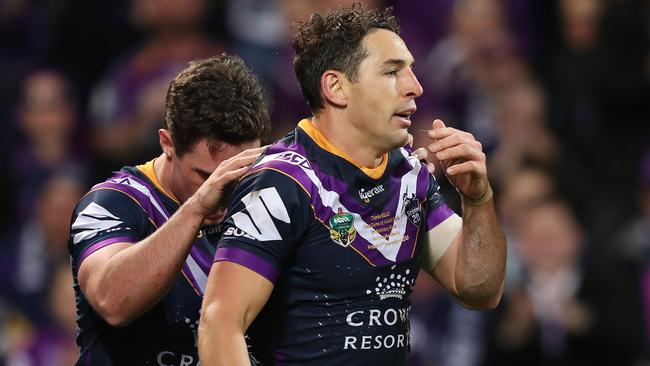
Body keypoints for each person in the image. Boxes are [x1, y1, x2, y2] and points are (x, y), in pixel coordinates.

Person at [199, 4, 506, 365]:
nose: (415, 87)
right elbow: (220, 323)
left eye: (411, 70)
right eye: (392, 72)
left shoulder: (410, 177)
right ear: (336, 87)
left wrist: (478, 198)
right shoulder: (283, 183)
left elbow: (478, 289)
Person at [68, 54, 270, 365]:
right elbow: (112, 301)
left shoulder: (271, 198)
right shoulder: (111, 204)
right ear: (167, 143)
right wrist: (197, 207)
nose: (223, 194)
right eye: (204, 176)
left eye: (237, 174)